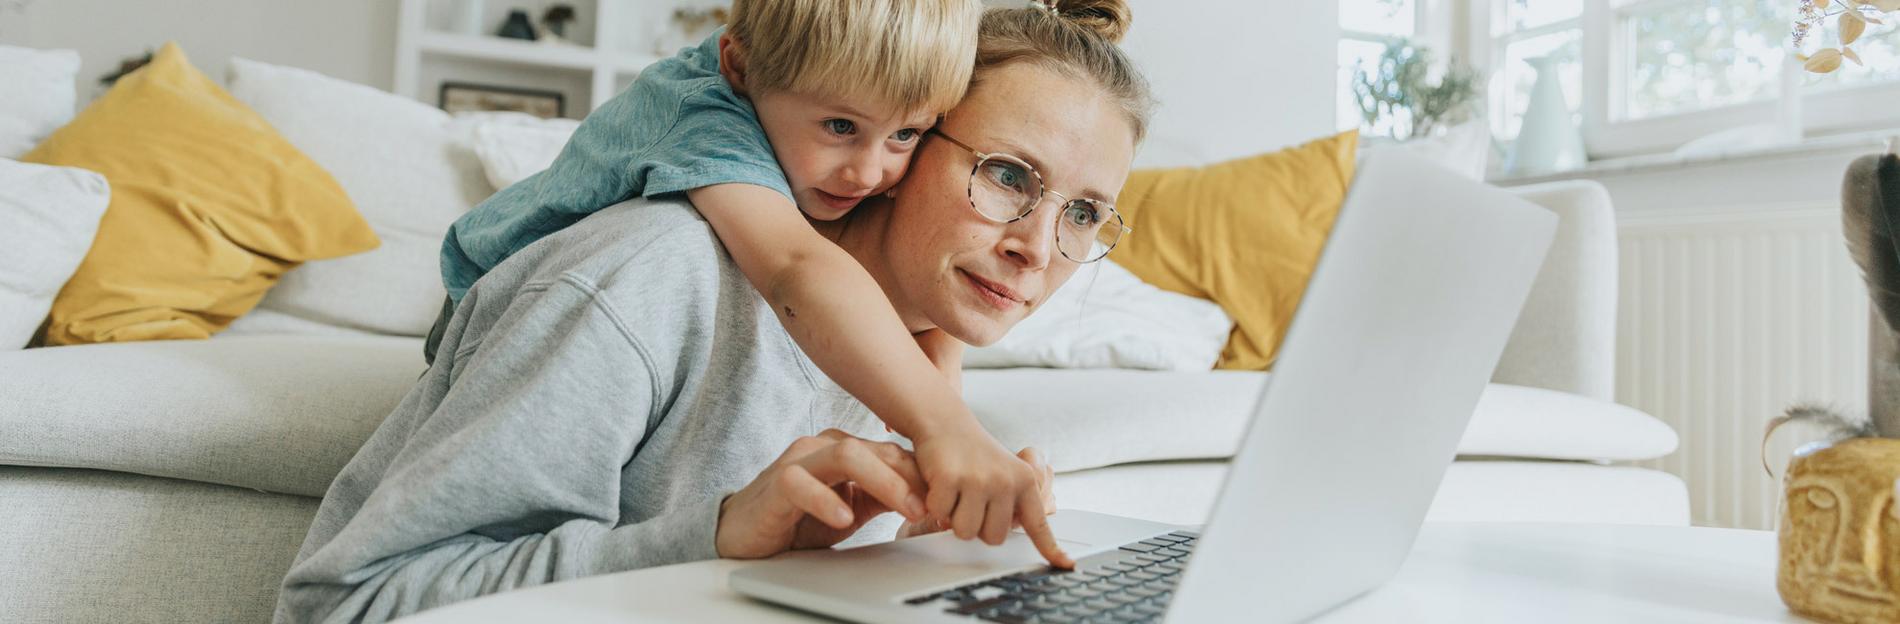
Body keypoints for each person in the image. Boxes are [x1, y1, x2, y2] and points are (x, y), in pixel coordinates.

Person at [275, 1, 1152, 621]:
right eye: (1008, 175)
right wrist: (722, 533)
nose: (1038, 248)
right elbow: (348, 607)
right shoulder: (642, 280)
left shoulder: (915, 336)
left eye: (1081, 213)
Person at [430, 0, 1054, 547]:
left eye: (906, 135)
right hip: (490, 305)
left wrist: (941, 390)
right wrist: (945, 426)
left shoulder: (803, 87)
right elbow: (794, 268)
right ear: (738, 68)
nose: (868, 174)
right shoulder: (705, 115)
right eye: (841, 127)